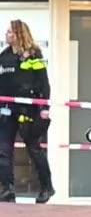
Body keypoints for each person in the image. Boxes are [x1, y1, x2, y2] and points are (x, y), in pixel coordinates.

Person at [0, 19, 54, 203]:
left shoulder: (33, 55)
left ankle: (46, 187)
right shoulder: (4, 56)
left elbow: (43, 83)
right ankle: (7, 189)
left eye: (9, 32)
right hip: (7, 109)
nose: (6, 35)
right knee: (4, 150)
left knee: (34, 149)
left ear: (18, 34)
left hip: (29, 109)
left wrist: (45, 107)